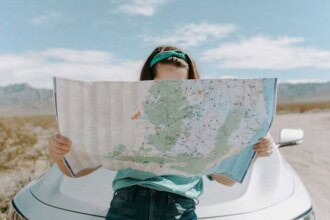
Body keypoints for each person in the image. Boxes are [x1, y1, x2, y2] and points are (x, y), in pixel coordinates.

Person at [48, 45, 274, 220]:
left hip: (180, 208)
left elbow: (225, 180)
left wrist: (254, 150)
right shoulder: (125, 116)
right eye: (160, 86)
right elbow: (76, 172)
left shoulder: (204, 122)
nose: (168, 94)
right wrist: (60, 152)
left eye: (178, 87)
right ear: (146, 83)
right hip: (129, 204)